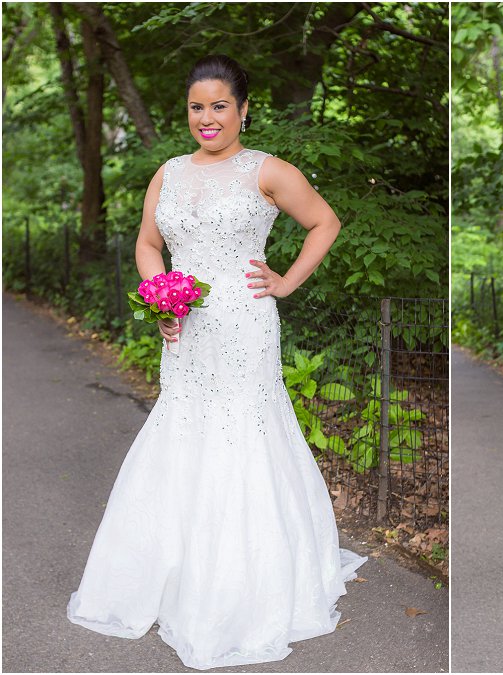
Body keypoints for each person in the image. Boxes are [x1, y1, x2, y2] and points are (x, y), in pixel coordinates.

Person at [67, 54, 366, 670]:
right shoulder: (169, 173)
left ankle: (235, 586)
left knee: (242, 433)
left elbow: (325, 222)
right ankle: (168, 569)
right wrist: (159, 296)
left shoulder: (268, 171)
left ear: (244, 110)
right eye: (197, 107)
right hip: (184, 330)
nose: (207, 118)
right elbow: (149, 245)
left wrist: (285, 283)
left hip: (243, 322)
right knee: (184, 428)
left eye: (219, 106)